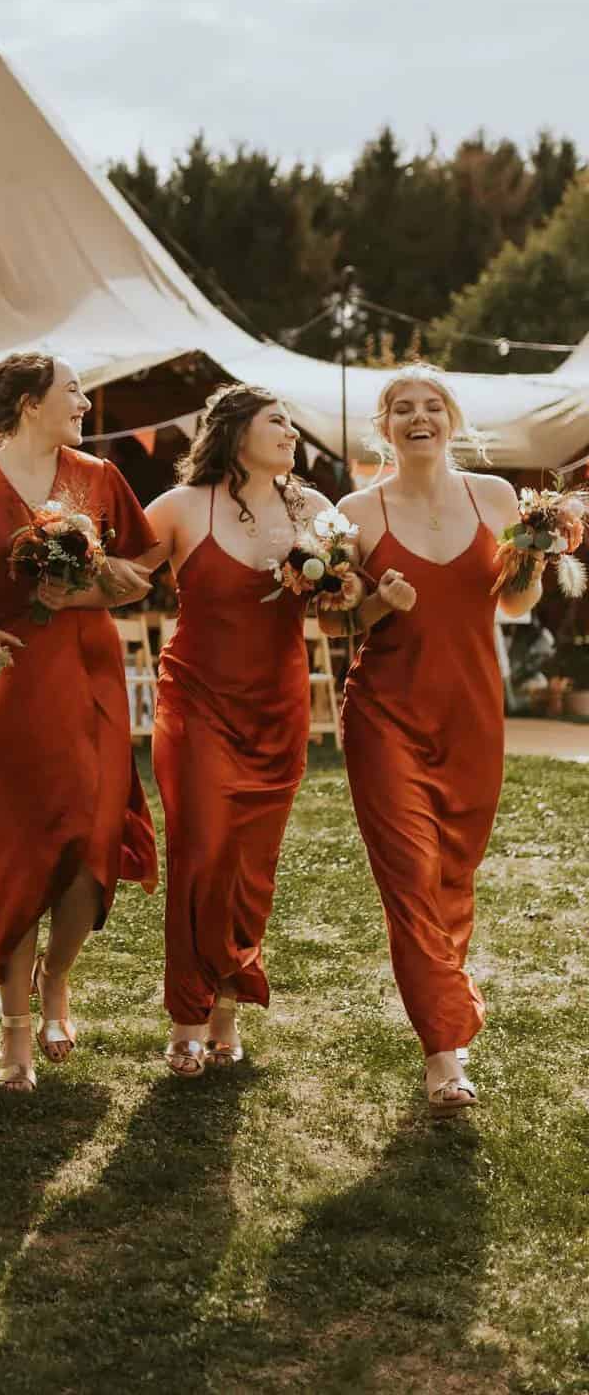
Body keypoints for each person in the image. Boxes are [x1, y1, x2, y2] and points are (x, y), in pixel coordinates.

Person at [325, 365, 537, 1113]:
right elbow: (331, 621)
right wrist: (380, 604)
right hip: (386, 714)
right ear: (383, 428)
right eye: (403, 409)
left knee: (453, 873)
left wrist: (534, 557)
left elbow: (516, 599)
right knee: (412, 879)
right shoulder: (355, 511)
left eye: (432, 406)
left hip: (473, 712)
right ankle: (444, 1052)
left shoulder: (499, 497)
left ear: (451, 419)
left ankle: (449, 1018)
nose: (420, 417)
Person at [0, 354, 157, 1093]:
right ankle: (13, 1026)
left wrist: (103, 589)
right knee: (21, 847)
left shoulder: (99, 477)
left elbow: (144, 560)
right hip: (16, 680)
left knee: (95, 844)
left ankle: (56, 975)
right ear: (31, 402)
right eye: (74, 391)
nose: (86, 403)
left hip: (94, 675)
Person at [140, 385, 361, 1076]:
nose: (292, 433)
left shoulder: (317, 512)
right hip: (196, 702)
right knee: (202, 850)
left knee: (251, 865)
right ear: (234, 430)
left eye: (293, 423)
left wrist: (345, 591)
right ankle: (186, 1015)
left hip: (277, 706)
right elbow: (120, 576)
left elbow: (339, 611)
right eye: (277, 422)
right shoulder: (178, 508)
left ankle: (228, 1008)